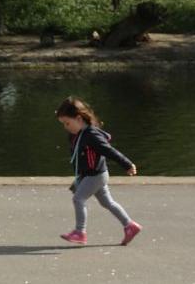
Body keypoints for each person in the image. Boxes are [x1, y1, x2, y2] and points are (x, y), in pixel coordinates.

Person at [56, 96, 143, 246]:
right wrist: (79, 179)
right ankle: (130, 226)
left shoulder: (92, 135)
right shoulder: (76, 135)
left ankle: (80, 232)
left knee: (78, 199)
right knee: (108, 202)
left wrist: (127, 164)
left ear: (78, 119)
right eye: (63, 124)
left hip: (96, 175)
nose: (66, 127)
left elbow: (109, 151)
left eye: (67, 123)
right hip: (91, 175)